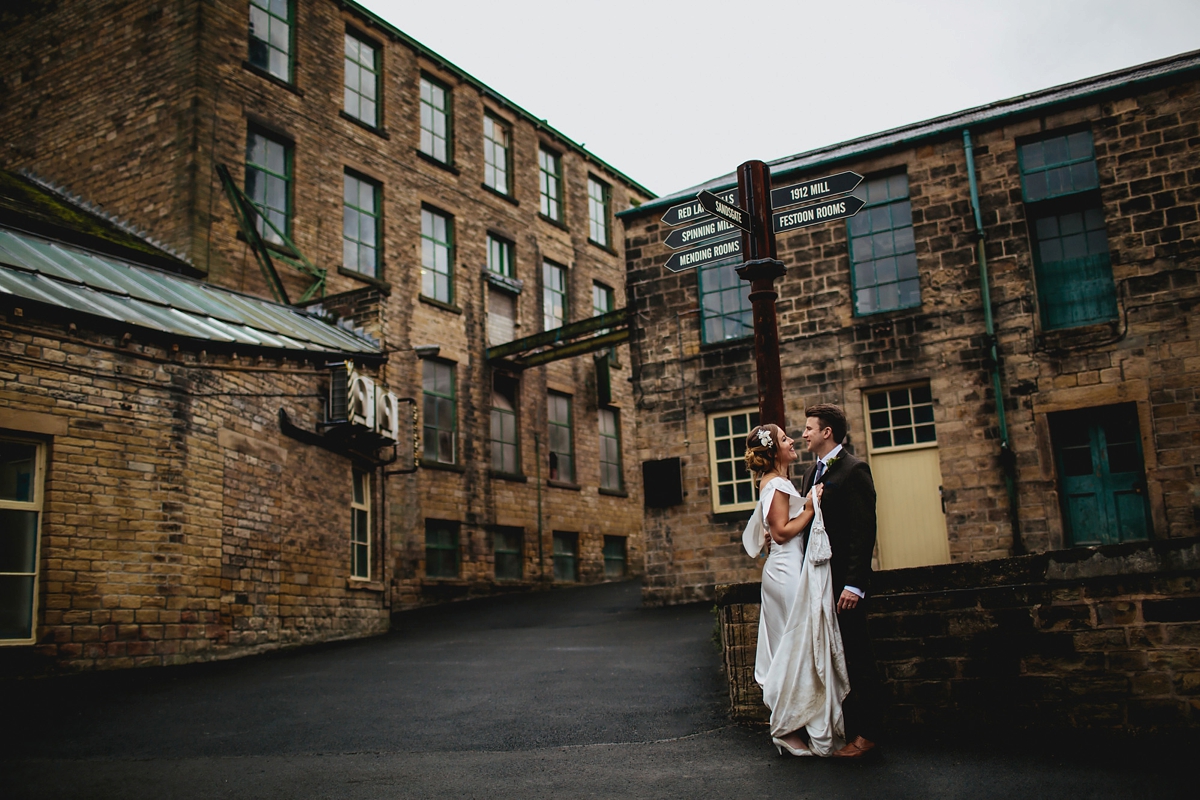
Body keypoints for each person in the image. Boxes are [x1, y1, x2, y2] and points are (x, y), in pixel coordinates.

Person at [741, 423, 848, 757]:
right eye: (785, 439)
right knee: (794, 646)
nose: (792, 441)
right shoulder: (776, 484)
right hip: (785, 571)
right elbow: (783, 532)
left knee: (792, 647)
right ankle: (785, 727)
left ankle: (792, 721)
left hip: (786, 569)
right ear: (774, 451)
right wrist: (812, 509)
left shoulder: (778, 482)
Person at [799, 403, 883, 759]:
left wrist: (854, 584)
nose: (804, 434)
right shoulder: (808, 475)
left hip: (843, 586)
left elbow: (863, 532)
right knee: (830, 659)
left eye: (808, 428)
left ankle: (868, 734)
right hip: (817, 583)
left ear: (827, 432)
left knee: (857, 656)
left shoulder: (853, 470)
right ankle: (839, 729)